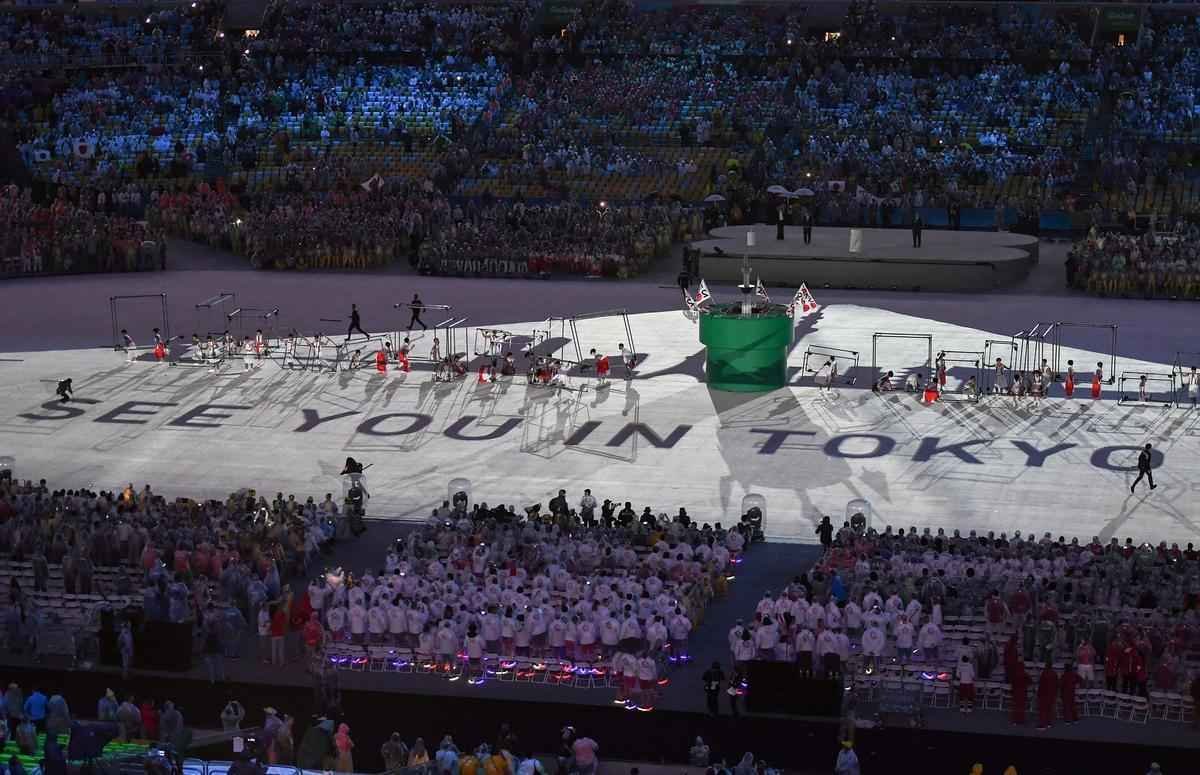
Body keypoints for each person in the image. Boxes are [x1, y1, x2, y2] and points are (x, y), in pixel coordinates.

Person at [1037, 661, 1058, 730]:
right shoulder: (1054, 673)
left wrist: (1038, 694)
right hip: (1052, 694)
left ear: (1046, 666)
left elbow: (1041, 684)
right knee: (1049, 709)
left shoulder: (1044, 673)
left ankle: (1042, 725)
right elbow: (1057, 684)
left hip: (1044, 694)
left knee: (1043, 710)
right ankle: (1049, 723)